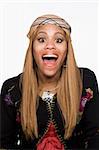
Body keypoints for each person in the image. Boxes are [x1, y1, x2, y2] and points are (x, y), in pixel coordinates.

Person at [0, 14, 99, 150]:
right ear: (32, 48)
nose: (50, 46)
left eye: (58, 40)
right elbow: (3, 143)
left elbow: (95, 136)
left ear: (67, 49)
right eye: (41, 39)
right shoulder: (12, 89)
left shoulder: (85, 81)